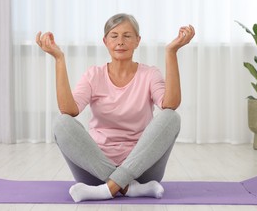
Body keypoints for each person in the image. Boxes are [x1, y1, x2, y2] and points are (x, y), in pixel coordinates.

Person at [35, 13, 195, 202]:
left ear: (137, 41)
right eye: (114, 36)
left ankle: (107, 190)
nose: (120, 41)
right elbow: (69, 110)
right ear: (105, 41)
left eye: (127, 36)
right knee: (62, 123)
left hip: (142, 170)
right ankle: (128, 188)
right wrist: (59, 59)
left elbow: (170, 104)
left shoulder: (150, 74)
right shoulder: (93, 75)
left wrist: (171, 52)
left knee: (171, 117)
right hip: (95, 172)